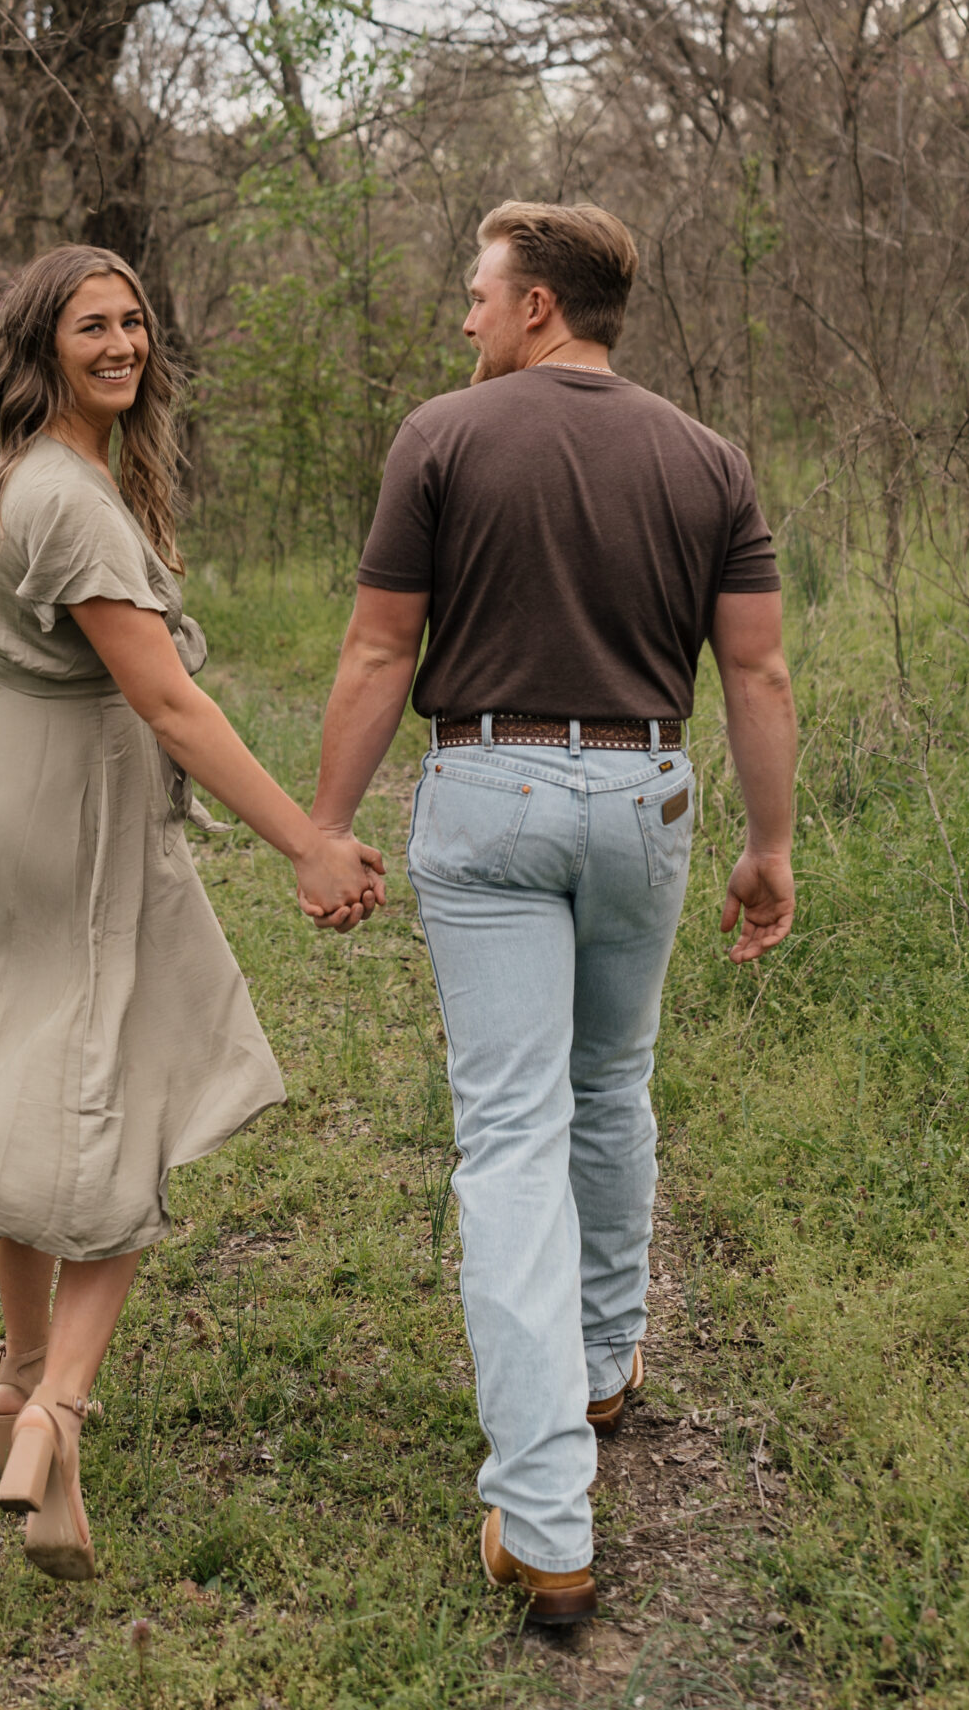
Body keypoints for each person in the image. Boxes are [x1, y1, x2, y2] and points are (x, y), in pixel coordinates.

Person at [0, 245, 383, 1584]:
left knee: (47, 1076)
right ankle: (58, 1412)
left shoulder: (15, 474)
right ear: (40, 347)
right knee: (130, 1088)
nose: (123, 342)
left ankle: (18, 1386)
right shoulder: (76, 502)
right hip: (71, 808)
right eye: (92, 325)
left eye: (135, 320)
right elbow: (166, 702)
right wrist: (307, 843)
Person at [309, 200, 796, 1629]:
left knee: (511, 1133)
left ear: (536, 307)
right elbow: (756, 677)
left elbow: (380, 646)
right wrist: (770, 844)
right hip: (645, 793)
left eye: (477, 295)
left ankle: (545, 1519)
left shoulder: (442, 440)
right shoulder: (709, 458)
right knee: (612, 1086)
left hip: (489, 786)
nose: (463, 318)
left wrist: (328, 824)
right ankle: (601, 1364)